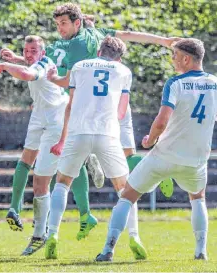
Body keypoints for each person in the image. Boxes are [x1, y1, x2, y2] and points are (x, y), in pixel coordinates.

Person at [1, 2, 179, 240]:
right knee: (125, 161)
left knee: (72, 169)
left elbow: (46, 71)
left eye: (63, 23)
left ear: (77, 22)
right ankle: (152, 175)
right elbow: (128, 35)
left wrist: (24, 68)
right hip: (116, 105)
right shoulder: (96, 35)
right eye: (57, 24)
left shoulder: (67, 47)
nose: (59, 29)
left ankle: (53, 229)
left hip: (93, 112)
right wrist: (164, 41)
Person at [95, 38, 217, 262]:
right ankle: (201, 252)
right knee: (198, 198)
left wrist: (149, 140)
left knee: (127, 196)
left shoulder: (176, 83)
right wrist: (216, 116)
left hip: (164, 155)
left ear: (187, 59)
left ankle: (108, 249)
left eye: (175, 56)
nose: (172, 61)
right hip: (196, 160)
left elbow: (162, 121)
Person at [44, 36, 146, 260]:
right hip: (107, 133)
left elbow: (70, 104)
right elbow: (121, 112)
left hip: (78, 132)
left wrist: (63, 138)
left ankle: (52, 234)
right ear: (118, 58)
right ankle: (134, 236)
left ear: (99, 51)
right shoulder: (123, 71)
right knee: (126, 190)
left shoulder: (80, 66)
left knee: (62, 183)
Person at [0, 35, 68, 255]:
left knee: (40, 183)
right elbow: (28, 64)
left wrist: (7, 65)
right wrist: (16, 58)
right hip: (39, 115)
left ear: (42, 52)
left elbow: (28, 73)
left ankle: (39, 234)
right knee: (25, 161)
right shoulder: (37, 60)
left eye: (33, 50)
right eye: (26, 50)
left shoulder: (44, 64)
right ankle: (15, 208)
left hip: (55, 122)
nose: (28, 54)